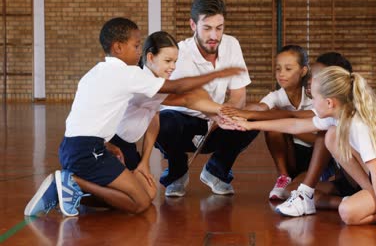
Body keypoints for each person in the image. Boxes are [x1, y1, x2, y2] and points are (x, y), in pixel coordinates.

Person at [24, 17, 242, 217]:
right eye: (136, 46)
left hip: (83, 146)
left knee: (145, 194)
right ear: (118, 47)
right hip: (88, 150)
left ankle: (69, 189)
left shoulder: (97, 72)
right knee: (139, 203)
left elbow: (86, 118)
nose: (139, 50)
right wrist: (218, 74)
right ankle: (70, 182)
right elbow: (182, 91)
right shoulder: (131, 75)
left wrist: (110, 146)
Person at [233, 66, 376, 230]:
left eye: (314, 97)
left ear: (329, 102)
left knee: (348, 213)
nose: (312, 101)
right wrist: (250, 125)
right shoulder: (338, 115)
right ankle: (371, 197)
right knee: (332, 136)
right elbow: (294, 126)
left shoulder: (358, 125)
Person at [155, 0, 258, 197]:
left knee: (254, 114)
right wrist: (215, 112)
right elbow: (189, 99)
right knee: (163, 122)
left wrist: (227, 115)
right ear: (193, 25)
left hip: (217, 122)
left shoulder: (231, 44)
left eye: (219, 28)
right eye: (207, 28)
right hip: (183, 124)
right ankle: (177, 172)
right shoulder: (179, 53)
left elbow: (239, 94)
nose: (214, 36)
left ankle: (216, 171)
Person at [109, 31, 236, 192]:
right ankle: (77, 182)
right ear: (150, 57)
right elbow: (187, 98)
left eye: (175, 61)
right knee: (132, 197)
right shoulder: (142, 82)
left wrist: (144, 162)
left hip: (127, 146)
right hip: (111, 145)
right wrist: (222, 110)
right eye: (168, 61)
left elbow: (154, 119)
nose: (173, 67)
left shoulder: (156, 82)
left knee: (146, 193)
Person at [221, 51, 354, 201]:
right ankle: (290, 180)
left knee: (323, 136)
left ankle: (355, 202)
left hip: (352, 178)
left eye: (288, 69)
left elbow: (293, 118)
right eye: (278, 69)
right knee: (288, 192)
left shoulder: (336, 109)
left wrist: (247, 116)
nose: (311, 80)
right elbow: (287, 119)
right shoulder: (324, 108)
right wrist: (244, 118)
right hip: (342, 180)